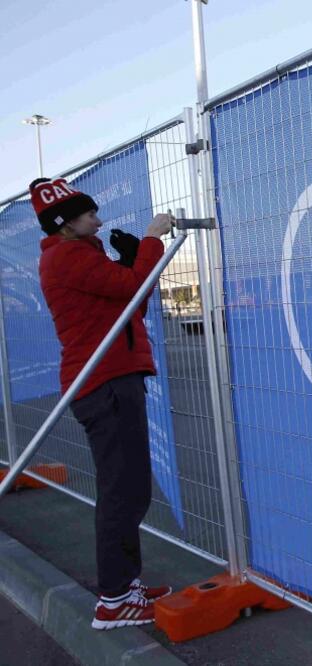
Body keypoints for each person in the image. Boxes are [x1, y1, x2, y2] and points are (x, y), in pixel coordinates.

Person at [30, 177, 174, 630]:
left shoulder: (79, 254)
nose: (99, 219)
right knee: (122, 491)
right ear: (66, 225)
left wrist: (136, 261)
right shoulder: (67, 257)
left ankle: (124, 585)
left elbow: (132, 300)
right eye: (89, 214)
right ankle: (113, 599)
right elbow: (132, 288)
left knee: (130, 488)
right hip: (105, 383)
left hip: (112, 378)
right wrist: (151, 240)